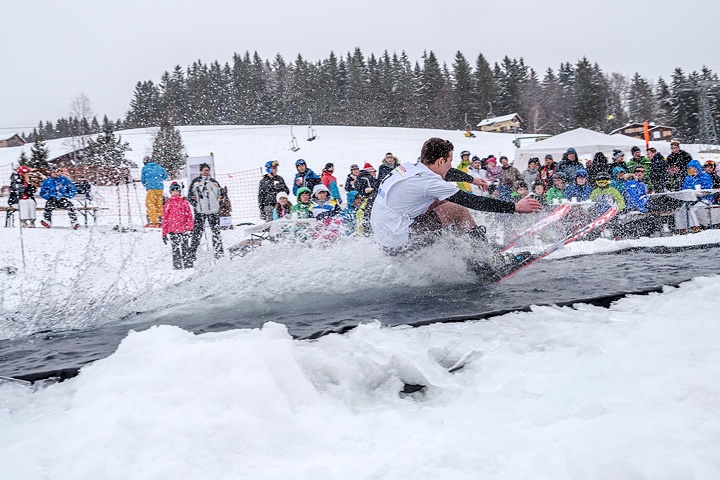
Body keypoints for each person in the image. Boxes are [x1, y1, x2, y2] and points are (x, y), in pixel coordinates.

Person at [369, 137, 541, 252]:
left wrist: (471, 179)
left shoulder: (410, 167)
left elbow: (446, 173)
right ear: (440, 161)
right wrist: (515, 207)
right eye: (450, 161)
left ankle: (463, 249)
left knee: (438, 203)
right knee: (457, 210)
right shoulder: (430, 182)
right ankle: (484, 256)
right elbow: (471, 201)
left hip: (386, 236)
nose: (451, 165)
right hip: (399, 241)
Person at [188, 162, 225, 258]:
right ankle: (192, 253)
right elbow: (190, 196)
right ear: (200, 171)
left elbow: (221, 195)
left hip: (213, 211)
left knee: (216, 232)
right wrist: (196, 205)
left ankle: (219, 253)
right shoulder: (195, 182)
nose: (206, 172)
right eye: (204, 170)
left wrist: (218, 204)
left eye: (208, 170)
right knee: (197, 232)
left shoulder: (214, 182)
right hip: (200, 211)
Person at [674, 160, 714, 234]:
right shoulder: (688, 178)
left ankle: (695, 226)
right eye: (690, 168)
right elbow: (684, 189)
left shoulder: (705, 176)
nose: (691, 170)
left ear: (697, 168)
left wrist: (698, 192)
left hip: (704, 199)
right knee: (679, 210)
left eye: (692, 168)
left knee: (691, 209)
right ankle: (682, 228)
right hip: (691, 200)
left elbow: (708, 189)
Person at [161, 182, 194, 269]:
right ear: (170, 192)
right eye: (173, 191)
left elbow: (189, 216)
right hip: (173, 230)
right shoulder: (168, 204)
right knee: (175, 249)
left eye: (177, 191)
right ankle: (177, 265)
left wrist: (190, 228)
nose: (175, 192)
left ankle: (188, 264)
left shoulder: (184, 202)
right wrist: (164, 233)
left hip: (184, 229)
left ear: (179, 191)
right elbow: (165, 219)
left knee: (185, 248)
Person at [140, 156, 168, 228]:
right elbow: (165, 176)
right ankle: (161, 219)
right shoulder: (159, 167)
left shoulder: (145, 168)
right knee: (159, 204)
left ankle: (153, 221)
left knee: (150, 204)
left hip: (151, 189)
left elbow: (143, 179)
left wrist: (146, 186)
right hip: (159, 189)